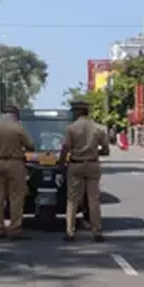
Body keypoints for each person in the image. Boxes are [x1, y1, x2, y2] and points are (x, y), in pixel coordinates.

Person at [0, 105, 35, 239]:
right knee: (16, 197)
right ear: (15, 115)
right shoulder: (18, 128)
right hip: (15, 164)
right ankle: (15, 229)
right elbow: (31, 145)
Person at [60, 99, 108, 242]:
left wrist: (61, 162)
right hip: (93, 165)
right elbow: (105, 149)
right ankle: (97, 231)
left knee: (73, 200)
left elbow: (65, 148)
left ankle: (70, 232)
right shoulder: (98, 128)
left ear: (77, 112)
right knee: (93, 199)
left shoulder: (71, 128)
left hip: (76, 165)